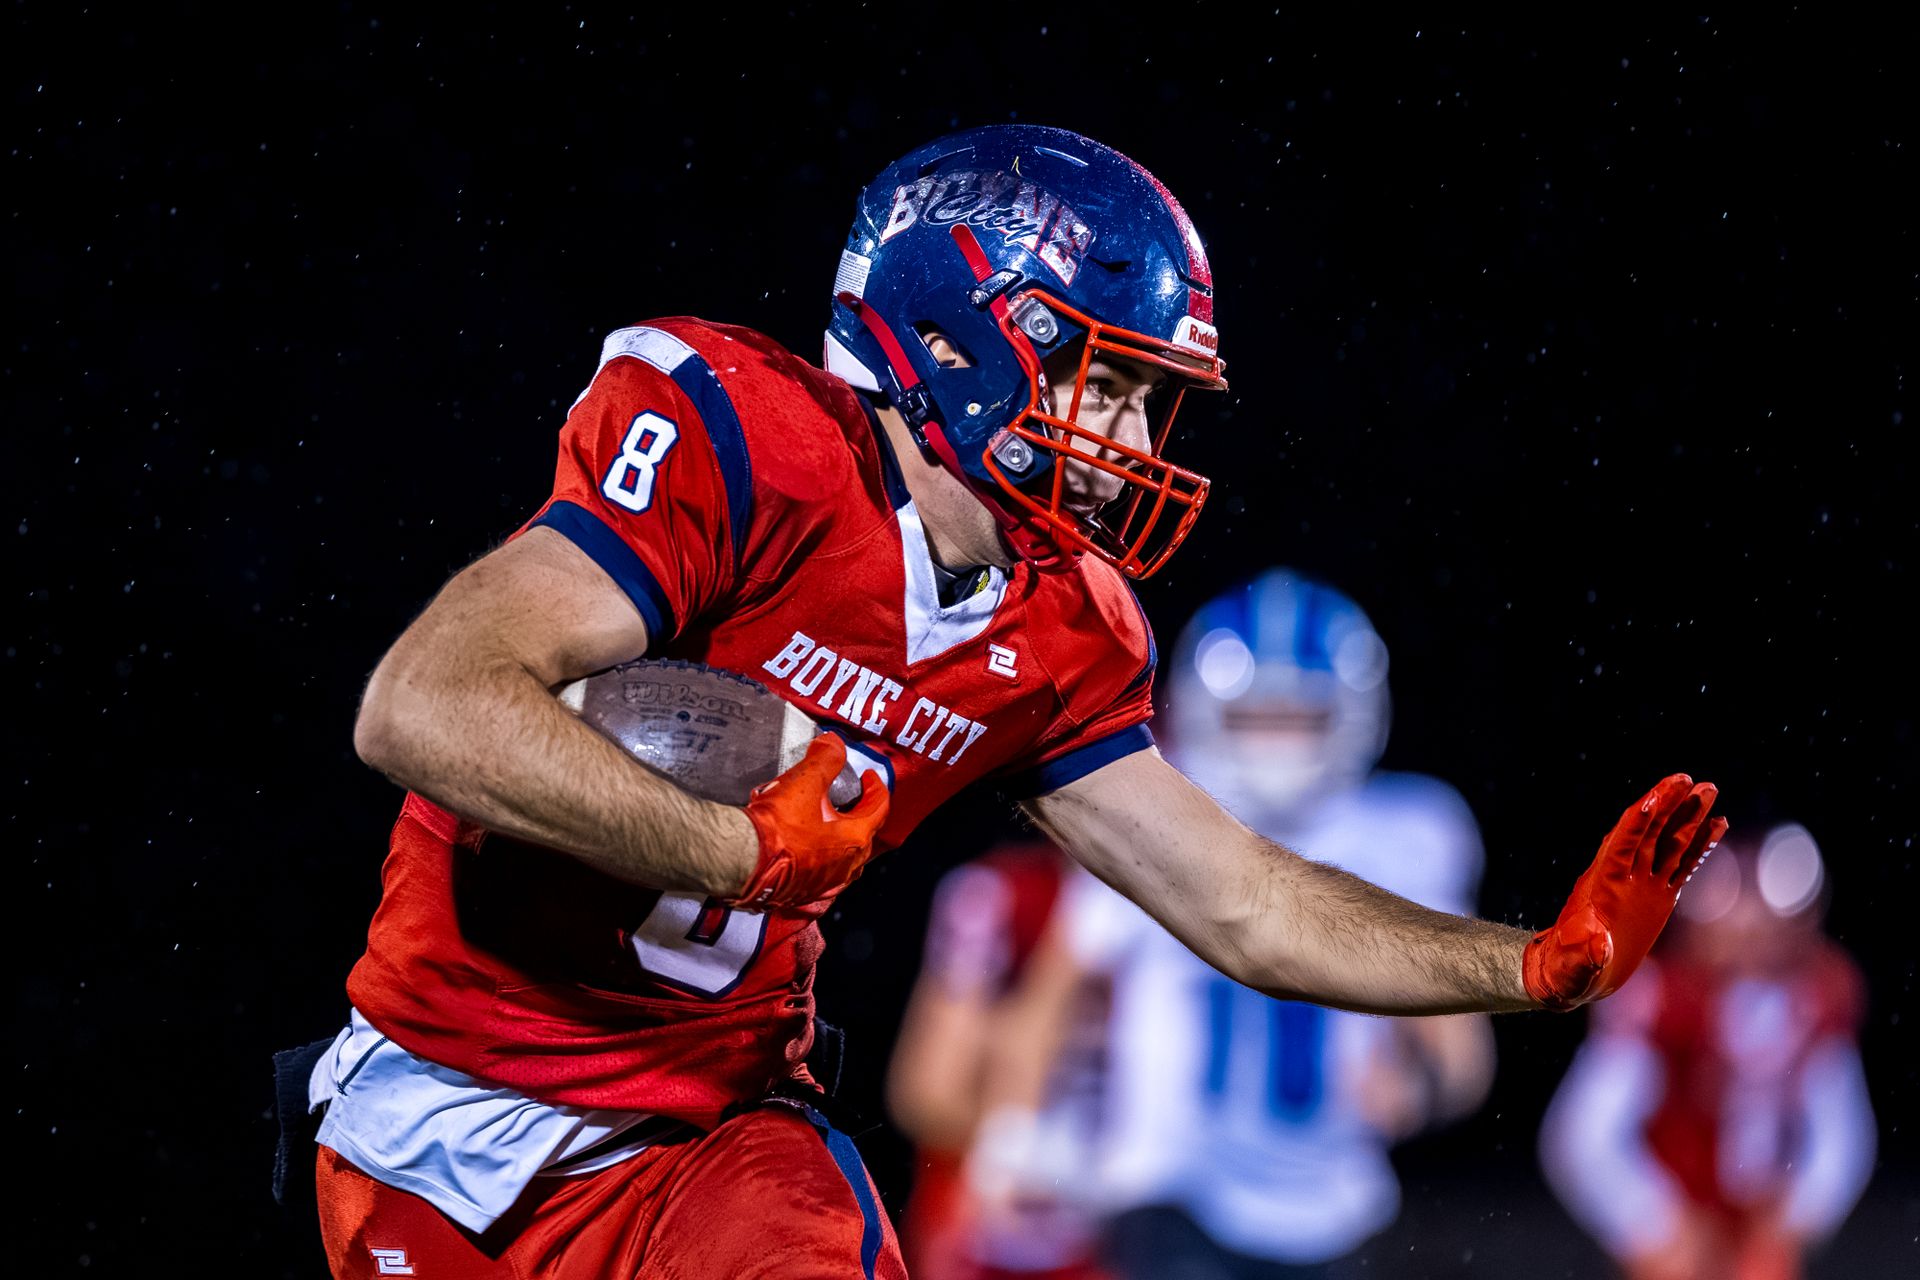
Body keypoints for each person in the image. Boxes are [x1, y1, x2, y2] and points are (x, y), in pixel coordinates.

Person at [302, 123, 1725, 1278]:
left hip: (716, 1136)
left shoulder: (1061, 624)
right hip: (438, 1115)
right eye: (1109, 387)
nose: (1128, 443)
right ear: (968, 335)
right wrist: (737, 854)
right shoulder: (747, 442)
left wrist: (1533, 964)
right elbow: (423, 706)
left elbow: (1244, 900)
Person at [973, 570, 1497, 1278]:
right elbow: (1044, 1007)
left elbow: (1461, 1058)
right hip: (1172, 1191)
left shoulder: (1406, 836)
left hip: (1334, 1203)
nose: (1276, 744)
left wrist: (1415, 1092)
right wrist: (1010, 1143)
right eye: (1256, 718)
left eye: (1299, 718)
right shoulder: (1160, 816)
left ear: (1352, 715)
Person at [1540, 822, 1875, 1280]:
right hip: (1681, 1213)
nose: (1750, 925)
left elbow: (1842, 1136)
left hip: (1760, 1223)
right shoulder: (1660, 996)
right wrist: (1649, 1219)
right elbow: (1582, 1137)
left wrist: (1798, 1215)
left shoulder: (1820, 994)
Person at [887, 839, 1111, 1280]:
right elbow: (928, 1099)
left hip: (1120, 1243)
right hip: (981, 1241)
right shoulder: (995, 894)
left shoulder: (1198, 918)